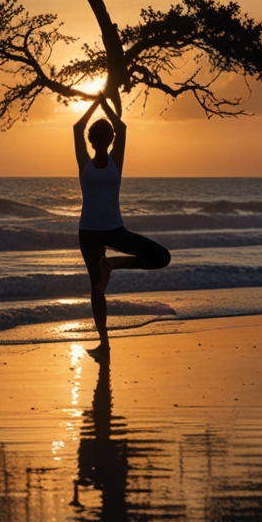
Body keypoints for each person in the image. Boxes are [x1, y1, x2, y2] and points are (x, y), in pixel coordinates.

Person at [74, 95, 170, 349]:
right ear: (109, 139)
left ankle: (113, 264)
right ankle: (103, 341)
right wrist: (103, 104)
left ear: (91, 140)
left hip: (105, 231)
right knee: (160, 258)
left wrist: (96, 104)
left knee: (98, 287)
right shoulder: (107, 162)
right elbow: (119, 127)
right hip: (98, 232)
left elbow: (79, 127)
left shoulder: (89, 162)